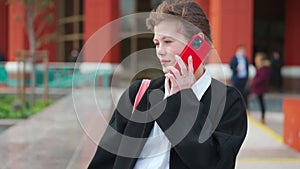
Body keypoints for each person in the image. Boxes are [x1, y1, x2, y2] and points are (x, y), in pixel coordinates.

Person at [88, 0, 247, 168]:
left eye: (168, 41)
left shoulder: (228, 102)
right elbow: (103, 161)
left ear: (198, 44)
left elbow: (212, 164)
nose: (160, 51)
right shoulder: (139, 93)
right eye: (157, 43)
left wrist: (183, 101)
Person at [250, 52, 271, 124]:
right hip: (258, 87)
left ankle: (262, 117)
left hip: (260, 88)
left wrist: (254, 81)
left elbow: (261, 78)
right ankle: (261, 116)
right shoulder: (261, 67)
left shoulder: (264, 68)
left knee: (260, 102)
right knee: (260, 101)